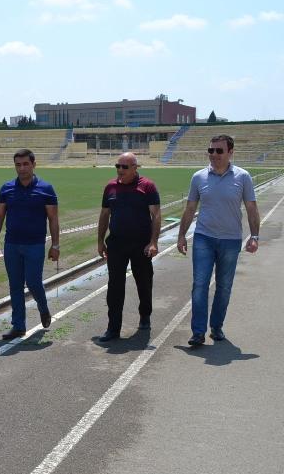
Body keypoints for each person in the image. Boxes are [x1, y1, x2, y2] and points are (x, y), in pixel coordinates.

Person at [177, 134, 260, 347]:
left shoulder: (243, 177)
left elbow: (251, 208)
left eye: (219, 151)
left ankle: (216, 327)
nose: (214, 154)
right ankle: (198, 332)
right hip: (203, 238)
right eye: (211, 150)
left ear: (230, 152)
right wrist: (181, 235)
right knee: (200, 285)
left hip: (231, 240)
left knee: (224, 287)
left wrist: (254, 236)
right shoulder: (198, 177)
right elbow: (190, 208)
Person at [0, 149, 60, 339]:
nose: (22, 168)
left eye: (25, 164)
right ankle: (18, 326)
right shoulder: (6, 189)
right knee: (15, 286)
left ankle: (43, 307)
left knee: (33, 282)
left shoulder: (46, 189)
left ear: (33, 165)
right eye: (18, 165)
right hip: (11, 245)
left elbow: (53, 219)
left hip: (35, 245)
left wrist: (55, 245)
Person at [96, 152, 161, 342]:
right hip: (117, 244)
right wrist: (100, 241)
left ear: (135, 168)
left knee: (144, 282)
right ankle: (113, 328)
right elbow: (104, 215)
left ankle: (145, 315)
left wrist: (153, 242)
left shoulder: (147, 186)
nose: (120, 170)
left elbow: (156, 215)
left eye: (124, 167)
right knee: (115, 286)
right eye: (117, 166)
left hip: (141, 244)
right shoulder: (110, 187)